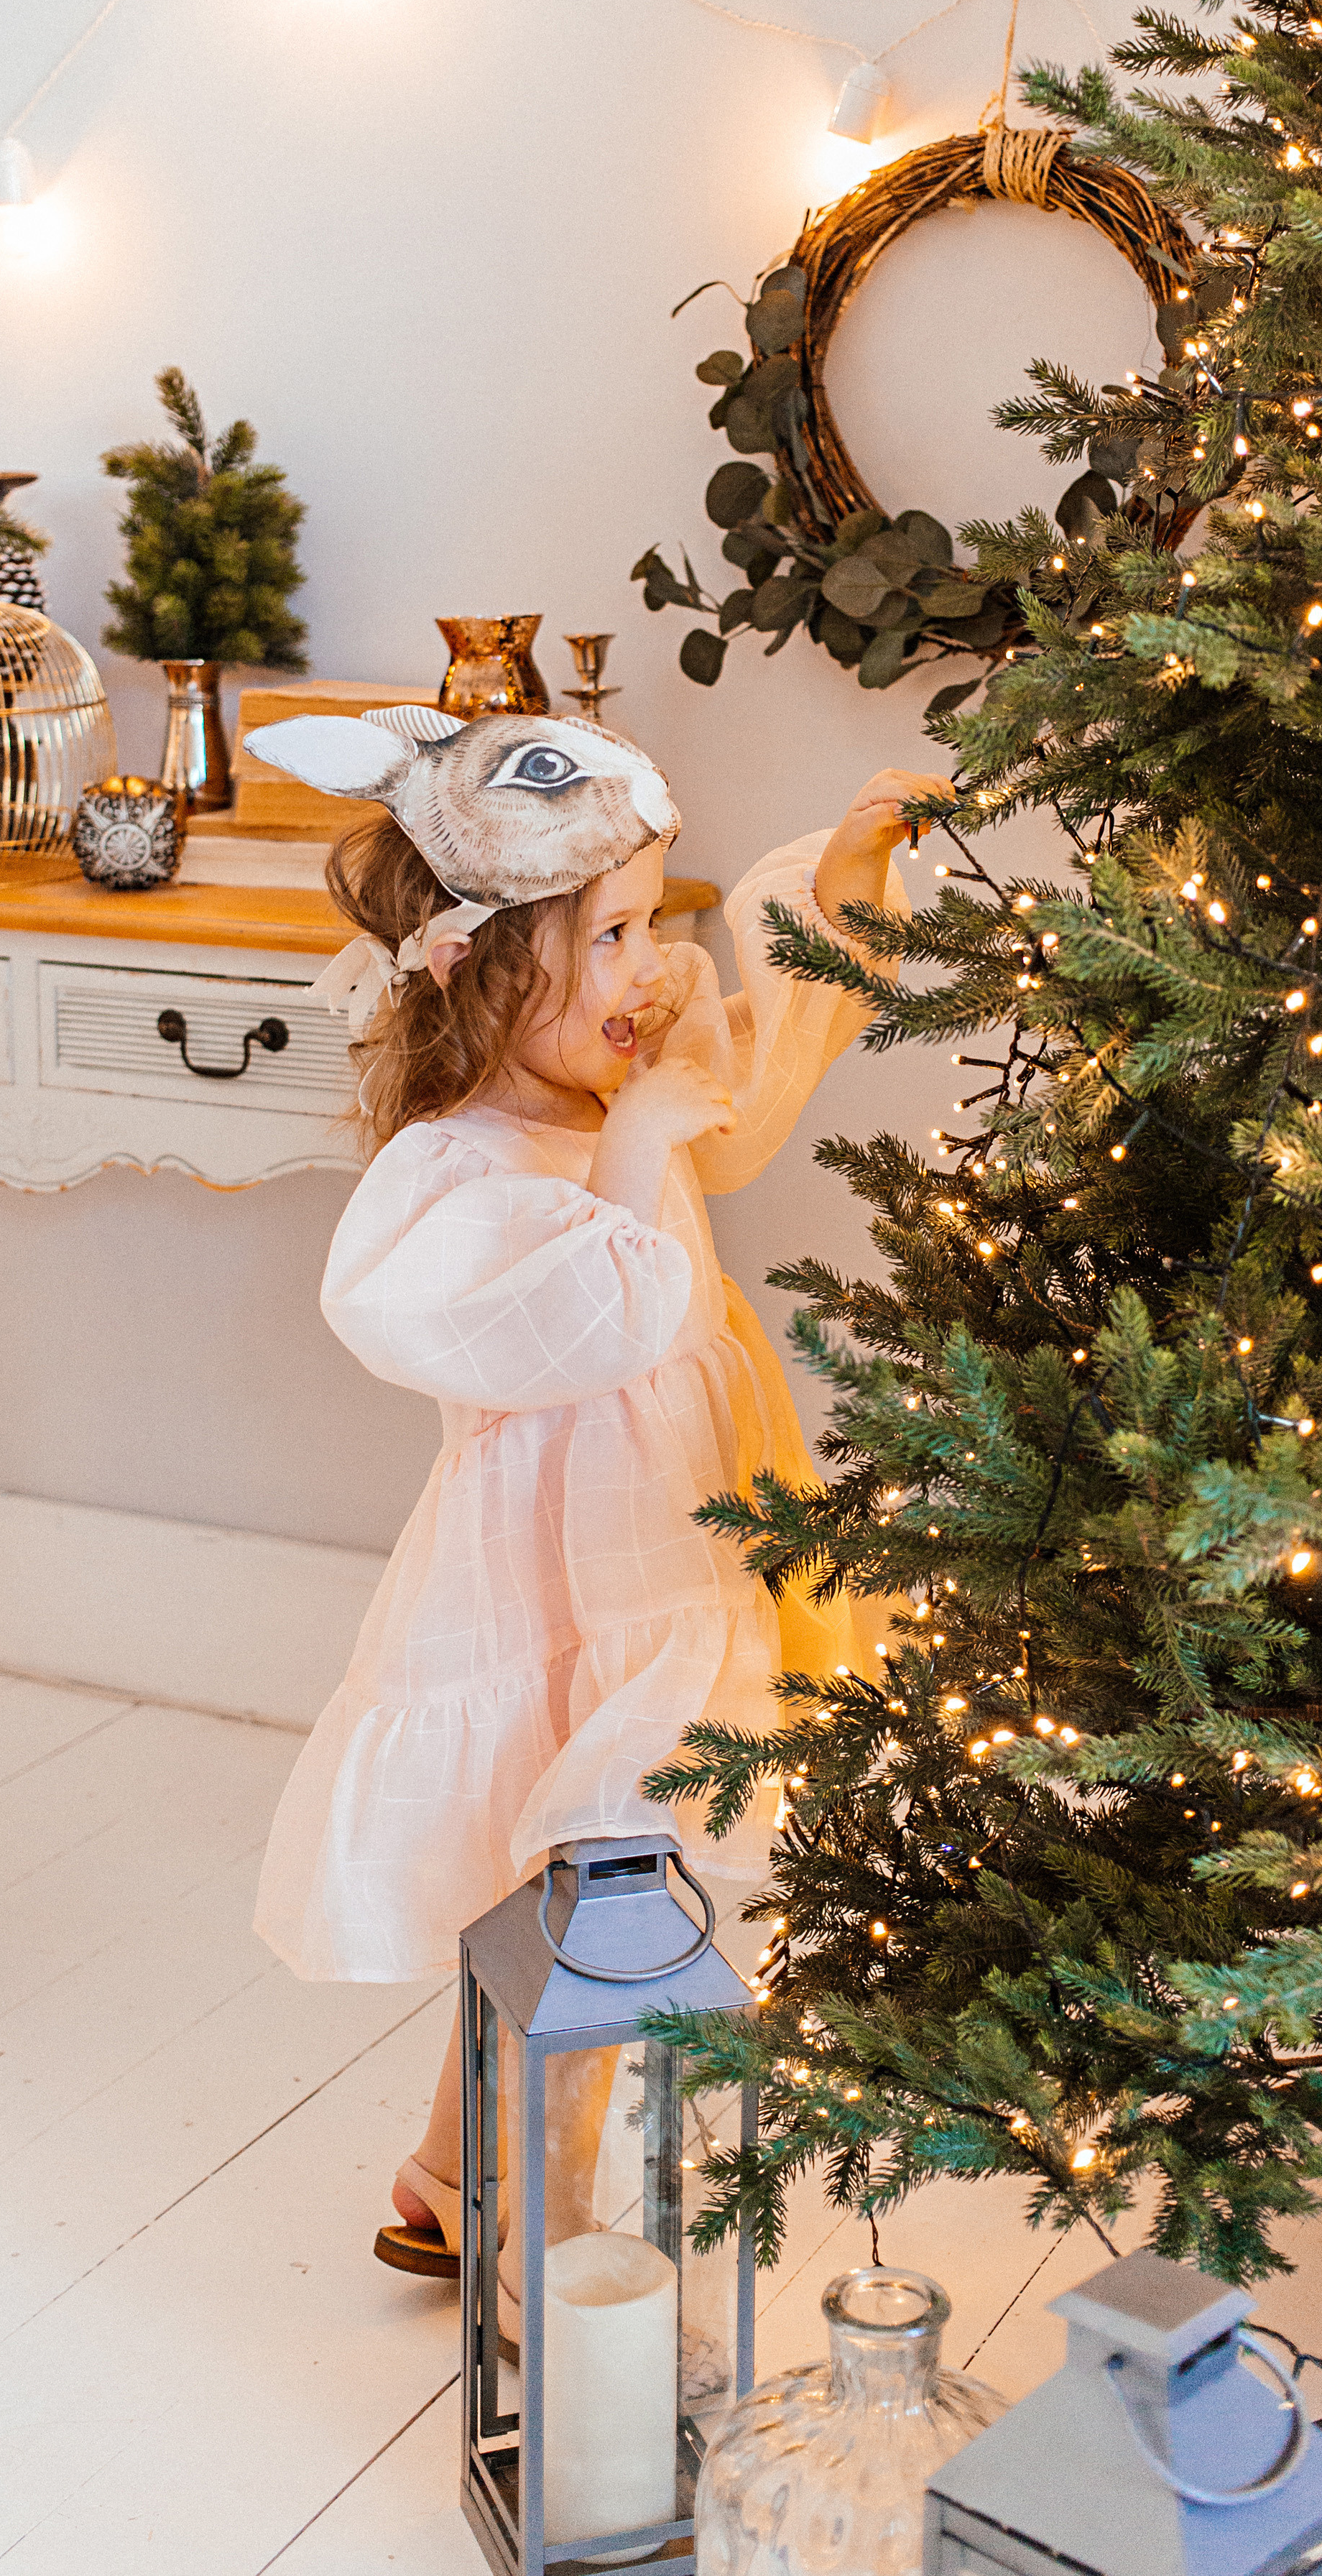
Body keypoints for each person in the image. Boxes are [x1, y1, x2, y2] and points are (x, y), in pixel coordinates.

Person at [241, 698, 948, 2276]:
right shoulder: (454, 1169)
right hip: (563, 1581)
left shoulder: (627, 1086)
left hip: (687, 1533)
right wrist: (636, 1148)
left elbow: (755, 1077)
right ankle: (533, 2224)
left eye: (650, 923)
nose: (651, 971)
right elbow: (602, 1314)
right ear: (486, 968)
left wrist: (838, 885)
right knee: (600, 1883)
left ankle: (448, 2169)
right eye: (610, 936)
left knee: (576, 1882)